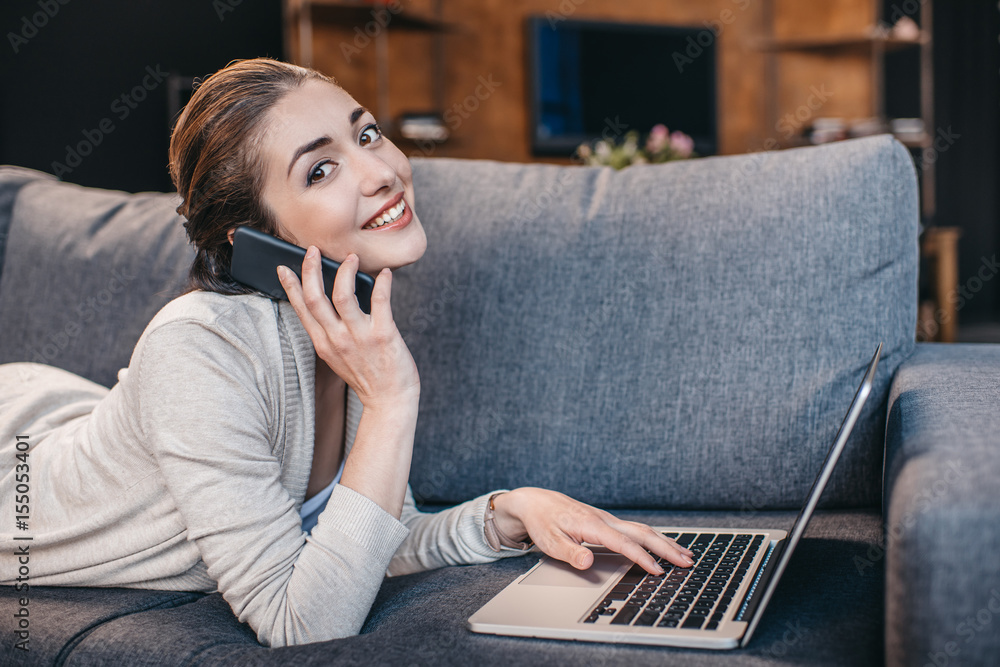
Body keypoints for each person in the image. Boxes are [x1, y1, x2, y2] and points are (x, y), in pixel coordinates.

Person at [0, 57, 693, 648]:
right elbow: (301, 622)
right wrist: (392, 400)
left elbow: (369, 544)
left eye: (367, 133)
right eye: (322, 169)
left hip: (71, 412)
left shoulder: (343, 323)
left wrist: (508, 512)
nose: (381, 171)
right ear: (255, 235)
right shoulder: (199, 347)